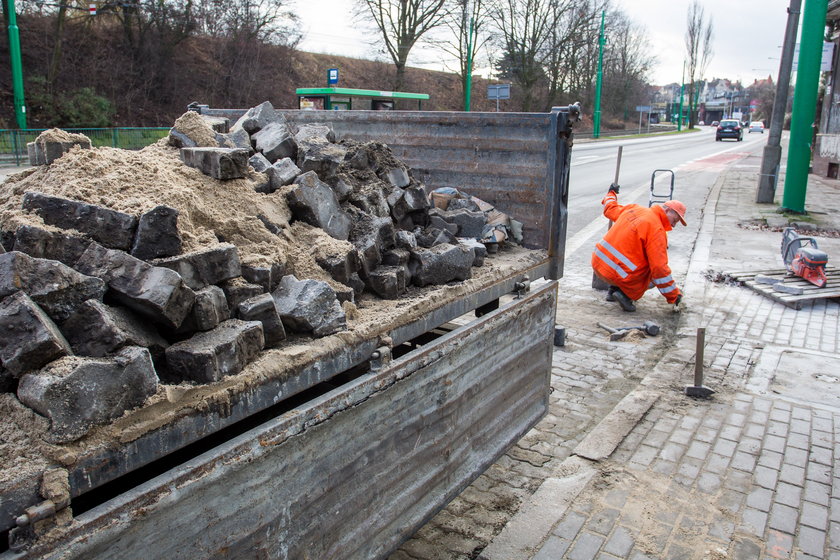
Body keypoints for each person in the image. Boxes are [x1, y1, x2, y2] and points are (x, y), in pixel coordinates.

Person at [591, 183, 686, 312]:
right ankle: (626, 295)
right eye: (675, 220)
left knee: (635, 258)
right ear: (667, 210)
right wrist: (674, 296)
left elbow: (610, 208)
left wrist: (611, 193)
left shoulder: (635, 209)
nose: (674, 225)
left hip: (598, 263)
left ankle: (613, 289)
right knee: (651, 272)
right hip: (619, 274)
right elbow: (659, 270)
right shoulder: (657, 230)